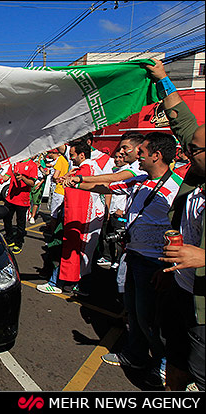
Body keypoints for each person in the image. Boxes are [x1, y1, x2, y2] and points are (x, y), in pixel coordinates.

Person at [73, 131, 182, 388]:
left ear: (156, 155)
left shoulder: (176, 187)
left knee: (151, 319)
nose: (137, 157)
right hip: (133, 255)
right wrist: (76, 182)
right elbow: (105, 185)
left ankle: (166, 365)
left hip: (155, 263)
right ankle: (135, 355)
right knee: (134, 313)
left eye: (141, 153)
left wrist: (169, 265)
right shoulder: (141, 179)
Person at [147, 59, 205, 391]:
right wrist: (164, 79)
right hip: (179, 290)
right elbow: (182, 122)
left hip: (203, 307)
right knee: (177, 360)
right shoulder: (197, 176)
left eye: (192, 150)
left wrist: (203, 257)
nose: (184, 151)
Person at [37, 141, 104, 295]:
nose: (71, 159)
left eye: (73, 156)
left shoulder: (87, 169)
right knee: (78, 253)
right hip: (86, 218)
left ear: (82, 154)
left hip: (79, 217)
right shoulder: (89, 167)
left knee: (64, 249)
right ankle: (72, 283)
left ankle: (56, 282)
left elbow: (79, 187)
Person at [0, 158, 38, 255]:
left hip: (22, 201)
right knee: (6, 218)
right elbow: (6, 177)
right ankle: (9, 239)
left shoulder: (32, 165)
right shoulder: (15, 162)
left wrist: (23, 178)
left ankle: (19, 242)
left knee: (20, 223)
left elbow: (32, 183)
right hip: (10, 198)